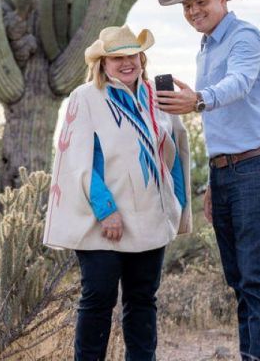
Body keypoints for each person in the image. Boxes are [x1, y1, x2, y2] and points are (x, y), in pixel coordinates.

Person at [155, 0, 260, 361]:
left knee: (256, 278)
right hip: (227, 171)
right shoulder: (207, 46)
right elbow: (223, 120)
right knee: (238, 279)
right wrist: (214, 178)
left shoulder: (245, 37)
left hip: (258, 167)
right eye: (188, 7)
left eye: (201, 3)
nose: (194, 11)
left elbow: (239, 84)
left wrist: (197, 99)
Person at [43, 24, 190, 361]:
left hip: (151, 217)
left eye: (132, 56)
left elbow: (174, 152)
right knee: (98, 299)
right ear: (102, 63)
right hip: (104, 220)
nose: (127, 63)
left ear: (142, 58)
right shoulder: (87, 97)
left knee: (142, 300)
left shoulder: (156, 97)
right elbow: (78, 160)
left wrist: (176, 203)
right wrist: (106, 209)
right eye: (117, 58)